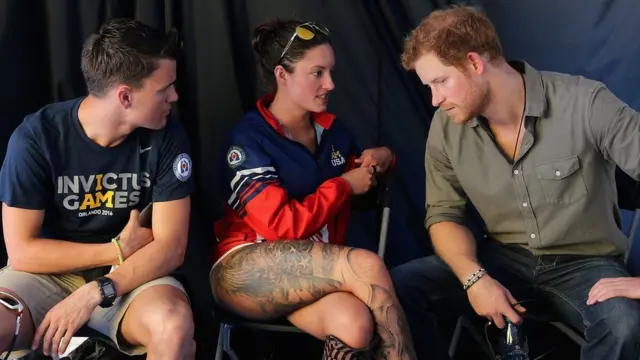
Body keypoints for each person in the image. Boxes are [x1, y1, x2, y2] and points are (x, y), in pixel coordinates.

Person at [390, 5, 640, 360]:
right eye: (429, 86)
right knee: (394, 288)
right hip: (500, 258)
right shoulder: (445, 127)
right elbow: (444, 214)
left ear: (475, 63)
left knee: (626, 326)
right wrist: (474, 278)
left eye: (441, 81)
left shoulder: (585, 102)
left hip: (586, 263)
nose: (435, 99)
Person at [210, 18, 416, 360]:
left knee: (354, 322)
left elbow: (359, 173)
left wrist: (384, 157)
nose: (331, 83)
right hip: (244, 269)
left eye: (331, 71)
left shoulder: (332, 131)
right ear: (282, 76)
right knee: (366, 266)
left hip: (312, 274)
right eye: (317, 73)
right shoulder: (248, 139)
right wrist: (342, 186)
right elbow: (280, 226)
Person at [0, 18, 195, 360]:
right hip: (43, 276)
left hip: (131, 278)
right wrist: (116, 249)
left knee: (173, 325)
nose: (175, 97)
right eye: (164, 89)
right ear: (125, 96)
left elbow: (171, 247)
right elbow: (23, 252)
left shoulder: (168, 137)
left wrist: (100, 288)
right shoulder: (36, 137)